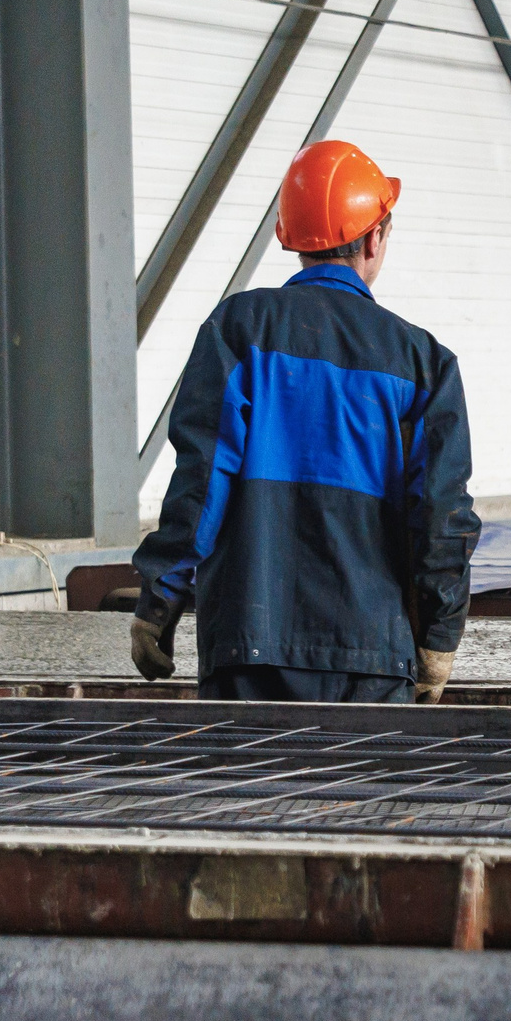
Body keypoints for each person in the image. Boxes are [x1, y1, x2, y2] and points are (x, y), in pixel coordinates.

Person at [130, 139, 478, 702]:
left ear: (290, 240)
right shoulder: (424, 363)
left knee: (238, 792)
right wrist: (438, 642)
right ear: (375, 236)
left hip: (246, 650)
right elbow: (440, 516)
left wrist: (159, 603)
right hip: (372, 660)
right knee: (366, 793)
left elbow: (201, 481)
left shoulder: (239, 330)